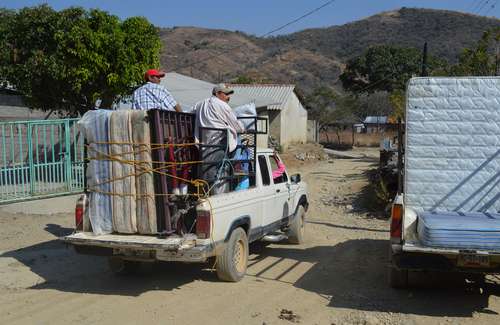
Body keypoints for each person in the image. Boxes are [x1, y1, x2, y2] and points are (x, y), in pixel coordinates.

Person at [193, 84, 245, 194]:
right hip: (219, 143)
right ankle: (237, 168)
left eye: (229, 94)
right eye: (226, 94)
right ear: (217, 94)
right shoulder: (222, 105)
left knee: (208, 170)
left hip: (203, 143)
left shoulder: (199, 104)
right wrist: (242, 129)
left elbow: (188, 113)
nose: (228, 97)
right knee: (237, 143)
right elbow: (235, 124)